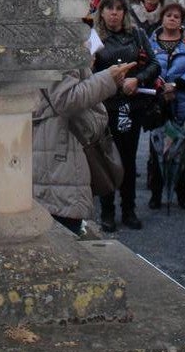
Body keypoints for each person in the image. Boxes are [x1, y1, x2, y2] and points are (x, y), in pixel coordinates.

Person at [32, 62, 137, 234]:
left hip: (53, 145)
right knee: (63, 232)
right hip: (61, 148)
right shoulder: (61, 39)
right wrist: (107, 78)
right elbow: (65, 99)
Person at [92, 0, 160, 232]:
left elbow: (154, 64)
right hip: (105, 106)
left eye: (119, 8)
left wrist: (137, 80)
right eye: (109, 8)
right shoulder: (94, 38)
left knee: (129, 160)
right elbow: (85, 72)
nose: (114, 13)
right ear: (102, 12)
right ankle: (107, 211)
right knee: (107, 159)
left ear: (124, 12)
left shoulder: (137, 35)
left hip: (131, 106)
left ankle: (129, 208)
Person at [147, 1, 185, 210]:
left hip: (183, 100)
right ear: (162, 18)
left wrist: (176, 85)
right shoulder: (150, 43)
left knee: (181, 149)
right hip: (158, 101)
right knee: (156, 149)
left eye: (177, 16)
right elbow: (147, 66)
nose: (172, 19)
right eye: (168, 15)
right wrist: (161, 86)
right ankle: (156, 193)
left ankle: (182, 193)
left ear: (182, 22)